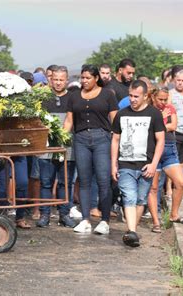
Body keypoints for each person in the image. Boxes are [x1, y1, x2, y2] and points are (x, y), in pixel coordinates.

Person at [64, 65, 118, 234]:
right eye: (82, 78)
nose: (84, 81)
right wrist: (61, 138)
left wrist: (117, 140)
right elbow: (68, 121)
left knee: (103, 179)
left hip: (102, 138)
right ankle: (85, 219)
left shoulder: (108, 94)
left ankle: (104, 220)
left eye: (88, 78)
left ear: (96, 78)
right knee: (84, 179)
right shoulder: (74, 97)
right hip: (80, 139)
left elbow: (115, 119)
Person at [111, 80, 165, 247]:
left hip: (146, 165)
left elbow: (160, 140)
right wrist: (113, 164)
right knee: (129, 197)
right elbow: (115, 140)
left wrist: (154, 164)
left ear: (145, 96)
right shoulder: (121, 114)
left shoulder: (154, 114)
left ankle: (131, 231)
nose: (132, 99)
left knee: (141, 200)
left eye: (136, 96)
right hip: (126, 163)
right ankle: (132, 232)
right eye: (130, 96)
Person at [36, 66, 78, 229]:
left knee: (65, 182)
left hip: (67, 146)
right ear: (50, 79)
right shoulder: (43, 97)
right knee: (46, 182)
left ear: (66, 80)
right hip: (46, 146)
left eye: (62, 80)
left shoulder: (73, 98)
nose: (58, 83)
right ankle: (45, 214)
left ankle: (64, 214)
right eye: (55, 80)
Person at [147, 86, 183, 233]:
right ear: (153, 98)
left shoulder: (170, 108)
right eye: (160, 99)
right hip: (153, 150)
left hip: (169, 148)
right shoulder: (148, 109)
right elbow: (150, 128)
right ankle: (156, 222)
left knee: (180, 182)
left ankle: (174, 214)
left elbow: (173, 125)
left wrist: (160, 123)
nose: (163, 102)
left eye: (165, 99)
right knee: (153, 187)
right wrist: (162, 122)